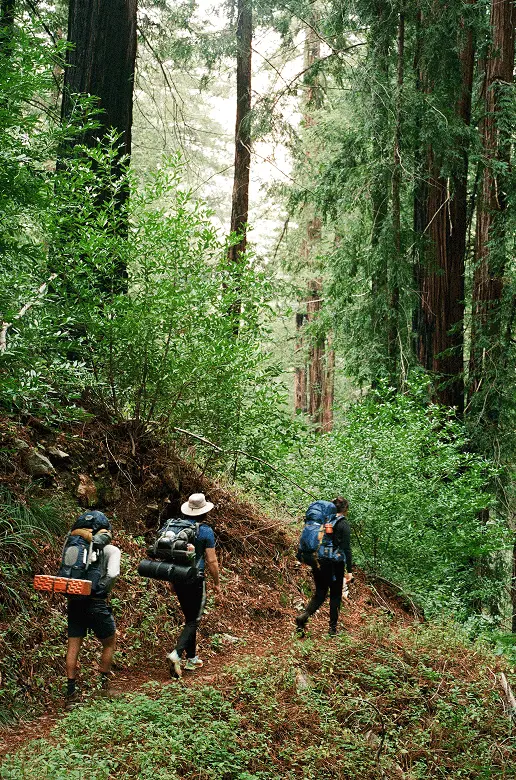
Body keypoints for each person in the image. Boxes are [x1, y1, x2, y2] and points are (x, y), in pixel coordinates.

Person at [65, 511, 121, 708]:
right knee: (109, 641)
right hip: (96, 601)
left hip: (75, 598)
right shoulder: (111, 551)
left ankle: (71, 694)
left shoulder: (75, 545)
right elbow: (113, 573)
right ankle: (103, 687)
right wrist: (100, 590)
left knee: (73, 645)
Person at [166, 493, 221, 678]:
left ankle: (191, 658)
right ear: (204, 512)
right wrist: (217, 583)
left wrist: (171, 581)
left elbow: (171, 556)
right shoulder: (205, 531)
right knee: (193, 620)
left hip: (178, 577)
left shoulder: (176, 528)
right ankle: (176, 654)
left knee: (189, 618)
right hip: (195, 580)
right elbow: (212, 561)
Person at [296, 496, 353, 637]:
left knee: (320, 593)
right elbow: (346, 549)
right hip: (334, 564)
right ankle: (332, 629)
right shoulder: (342, 523)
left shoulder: (324, 521)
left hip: (318, 560)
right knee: (335, 595)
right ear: (345, 509)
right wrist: (350, 571)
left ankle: (303, 616)